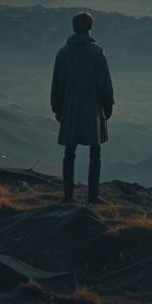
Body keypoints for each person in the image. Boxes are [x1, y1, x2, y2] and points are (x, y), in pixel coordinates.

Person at [50, 11, 114, 203]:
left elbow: (56, 86)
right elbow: (105, 85)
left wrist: (57, 109)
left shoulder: (63, 53)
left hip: (69, 109)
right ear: (89, 28)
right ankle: (93, 196)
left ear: (74, 27)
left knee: (69, 153)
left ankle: (68, 195)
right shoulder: (97, 53)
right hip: (93, 110)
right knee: (95, 152)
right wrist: (107, 107)